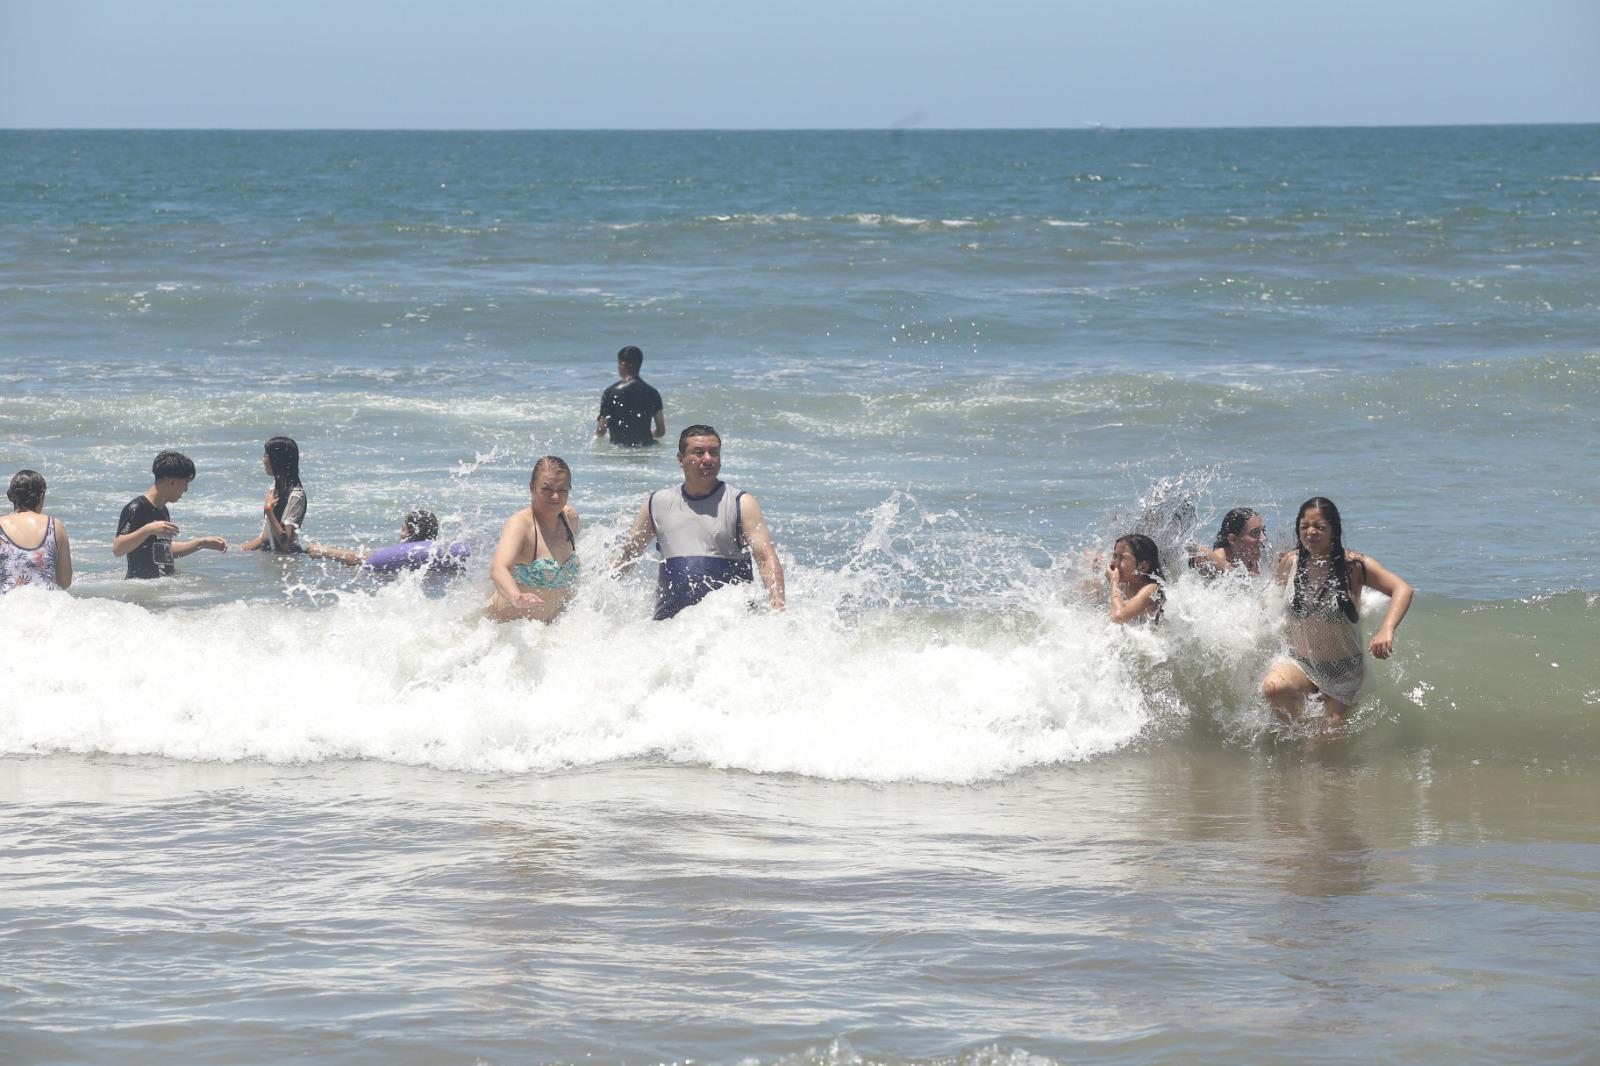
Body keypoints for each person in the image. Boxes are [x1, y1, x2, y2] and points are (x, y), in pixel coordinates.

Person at [1262, 497, 1414, 730]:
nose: (1311, 532)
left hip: (1343, 671)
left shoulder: (1354, 566)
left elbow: (1402, 589)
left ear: (1334, 530)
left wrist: (1386, 629)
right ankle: (1293, 735)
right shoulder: (1290, 562)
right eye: (1304, 527)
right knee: (1274, 688)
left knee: (1324, 742)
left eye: (1320, 527)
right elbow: (1270, 600)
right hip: (1300, 663)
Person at [614, 424, 785, 620]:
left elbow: (765, 558)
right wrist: (594, 588)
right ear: (680, 459)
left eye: (714, 453)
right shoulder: (656, 503)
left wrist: (778, 609)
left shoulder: (741, 502)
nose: (708, 459)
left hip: (730, 628)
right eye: (698, 452)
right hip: (667, 627)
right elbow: (628, 554)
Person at [487, 457, 581, 623]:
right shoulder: (520, 525)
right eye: (547, 489)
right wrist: (517, 597)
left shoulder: (570, 519)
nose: (555, 496)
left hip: (549, 633)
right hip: (507, 633)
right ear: (532, 487)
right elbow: (498, 569)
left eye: (562, 490)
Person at [112, 451, 228, 579]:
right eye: (186, 482)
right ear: (172, 482)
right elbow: (118, 548)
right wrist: (148, 529)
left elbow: (163, 552)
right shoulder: (137, 508)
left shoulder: (163, 510)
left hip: (160, 586)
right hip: (141, 590)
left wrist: (201, 543)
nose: (186, 489)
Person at [306, 510, 470, 573]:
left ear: (409, 531)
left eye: (403, 528)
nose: (401, 532)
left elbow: (364, 560)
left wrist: (322, 551)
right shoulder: (445, 555)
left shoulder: (401, 555)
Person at [1, 469, 72, 593]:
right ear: (41, 497)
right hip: (46, 607)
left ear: (12, 496)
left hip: (7, 607)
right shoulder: (55, 526)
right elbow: (65, 581)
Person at [241, 436, 307, 553]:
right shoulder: (275, 489)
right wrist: (237, 550)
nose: (263, 460)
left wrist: (268, 510)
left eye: (265, 456)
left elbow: (286, 545)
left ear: (277, 459)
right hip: (273, 561)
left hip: (288, 564)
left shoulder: (296, 496)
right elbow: (266, 538)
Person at [595, 345, 665, 447]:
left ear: (623, 364)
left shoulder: (610, 392)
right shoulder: (652, 393)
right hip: (645, 449)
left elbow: (601, 431)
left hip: (619, 450)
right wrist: (649, 434)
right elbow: (661, 431)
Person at [1189, 507, 1268, 578]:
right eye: (1255, 533)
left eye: (1263, 531)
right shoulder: (1216, 561)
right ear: (1233, 539)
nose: (1264, 538)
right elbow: (1199, 551)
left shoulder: (1255, 562)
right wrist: (1233, 572)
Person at [1106, 533, 1164, 625]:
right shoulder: (1124, 584)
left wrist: (1113, 583)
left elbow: (1118, 617)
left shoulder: (1151, 589)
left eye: (1122, 558)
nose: (1114, 563)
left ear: (1143, 567)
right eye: (1114, 556)